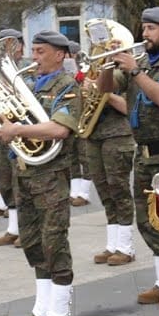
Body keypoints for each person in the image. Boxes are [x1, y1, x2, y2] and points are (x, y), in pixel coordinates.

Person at [103, 7, 159, 305]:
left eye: (151, 29)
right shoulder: (139, 61)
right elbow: (105, 90)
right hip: (143, 153)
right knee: (147, 219)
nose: (144, 34)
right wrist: (106, 63)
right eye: (143, 28)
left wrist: (135, 71)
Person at [0, 30, 82, 316]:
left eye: (41, 51)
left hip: (51, 174)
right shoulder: (31, 84)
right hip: (25, 171)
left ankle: (61, 314)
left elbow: (59, 129)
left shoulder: (68, 86)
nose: (35, 56)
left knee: (54, 241)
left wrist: (18, 128)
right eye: (33, 50)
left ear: (60, 54)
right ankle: (43, 308)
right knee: (32, 241)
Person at [77, 28, 137, 268]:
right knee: (104, 190)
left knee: (118, 190)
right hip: (95, 135)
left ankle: (126, 246)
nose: (96, 45)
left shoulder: (126, 72)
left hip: (117, 135)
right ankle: (113, 244)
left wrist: (103, 94)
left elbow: (127, 107)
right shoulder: (97, 71)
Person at [0, 29, 25, 245]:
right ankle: (12, 228)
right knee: (4, 178)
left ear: (20, 47)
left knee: (20, 181)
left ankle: (24, 229)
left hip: (22, 131)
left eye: (9, 45)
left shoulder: (28, 70)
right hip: (1, 130)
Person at [67, 41, 93, 208]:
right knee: (72, 157)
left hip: (84, 118)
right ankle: (74, 192)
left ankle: (84, 193)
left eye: (70, 54)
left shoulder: (84, 71)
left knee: (85, 157)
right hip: (71, 118)